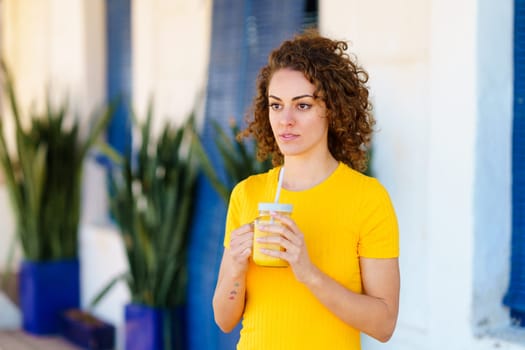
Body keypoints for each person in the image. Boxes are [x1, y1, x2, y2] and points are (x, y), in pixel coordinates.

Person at [212, 30, 400, 349]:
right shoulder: (248, 194)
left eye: (302, 106)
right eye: (276, 105)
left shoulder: (368, 199)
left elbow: (383, 324)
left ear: (333, 108)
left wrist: (308, 272)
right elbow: (225, 319)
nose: (285, 120)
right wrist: (234, 265)